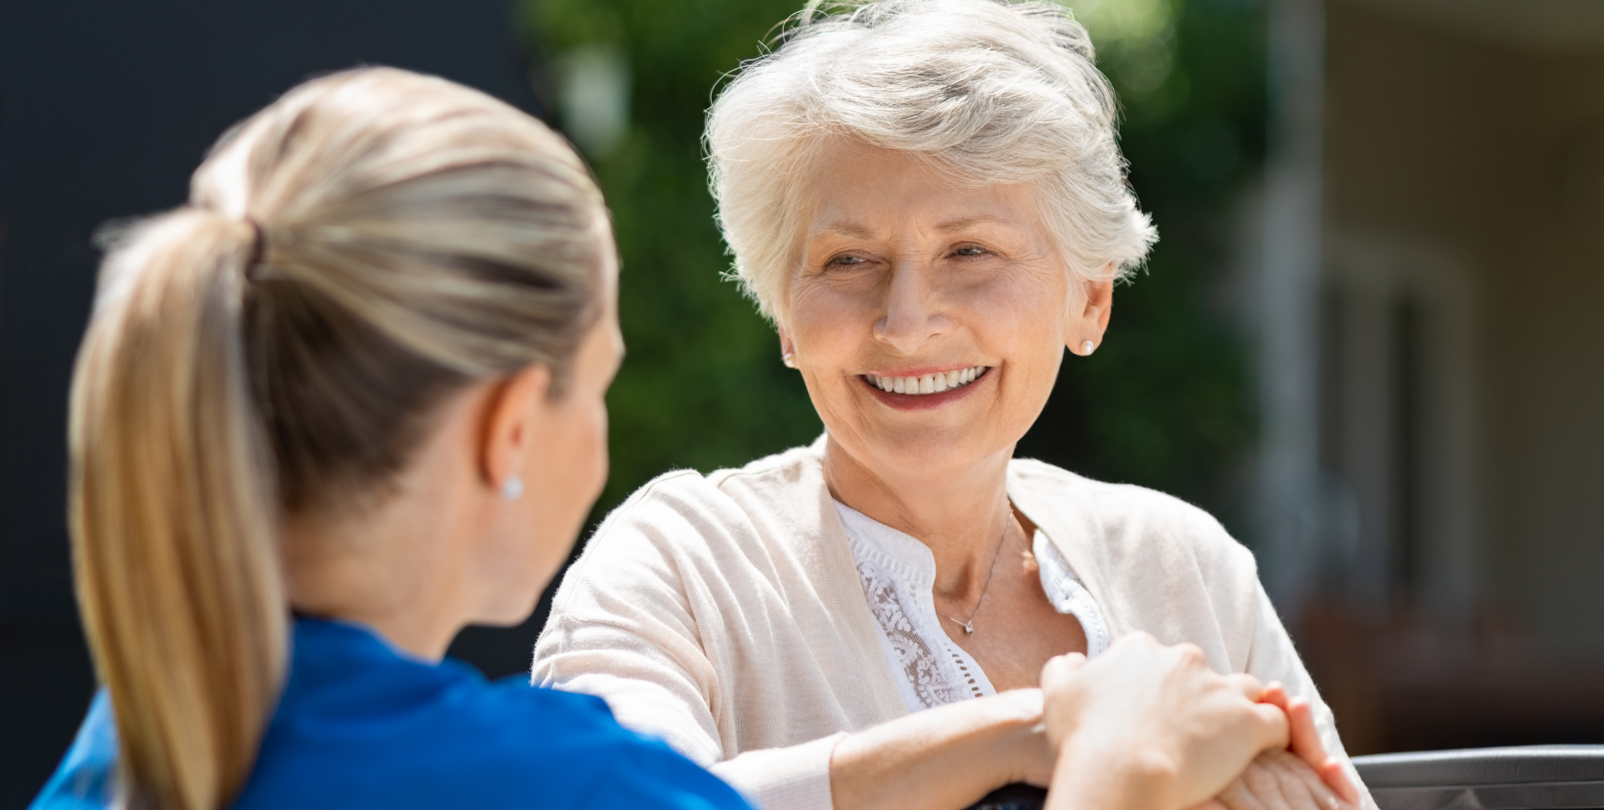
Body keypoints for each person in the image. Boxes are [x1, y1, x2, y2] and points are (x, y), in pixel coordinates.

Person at [31, 66, 1295, 810]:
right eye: (598, 384)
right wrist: (1109, 767)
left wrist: (1027, 733)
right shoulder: (565, 785)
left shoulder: (132, 747)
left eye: (971, 251)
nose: (908, 318)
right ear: (510, 429)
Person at [531, 3, 1376, 810]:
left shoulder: (1182, 565)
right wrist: (1044, 735)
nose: (905, 324)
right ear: (785, 314)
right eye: (849, 260)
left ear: (1090, 301)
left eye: (970, 251)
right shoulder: (679, 565)